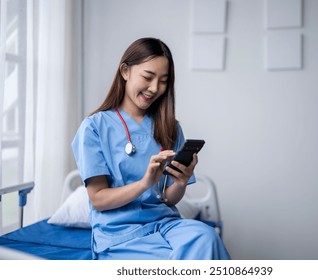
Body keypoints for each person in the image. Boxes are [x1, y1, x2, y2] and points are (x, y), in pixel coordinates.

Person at [72, 37, 230, 260]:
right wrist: (145, 183)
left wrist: (182, 181)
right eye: (148, 77)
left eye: (163, 81)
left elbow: (168, 199)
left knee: (206, 237)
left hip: (166, 225)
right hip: (121, 234)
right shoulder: (94, 128)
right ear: (125, 71)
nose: (155, 88)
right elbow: (98, 198)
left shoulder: (170, 127)